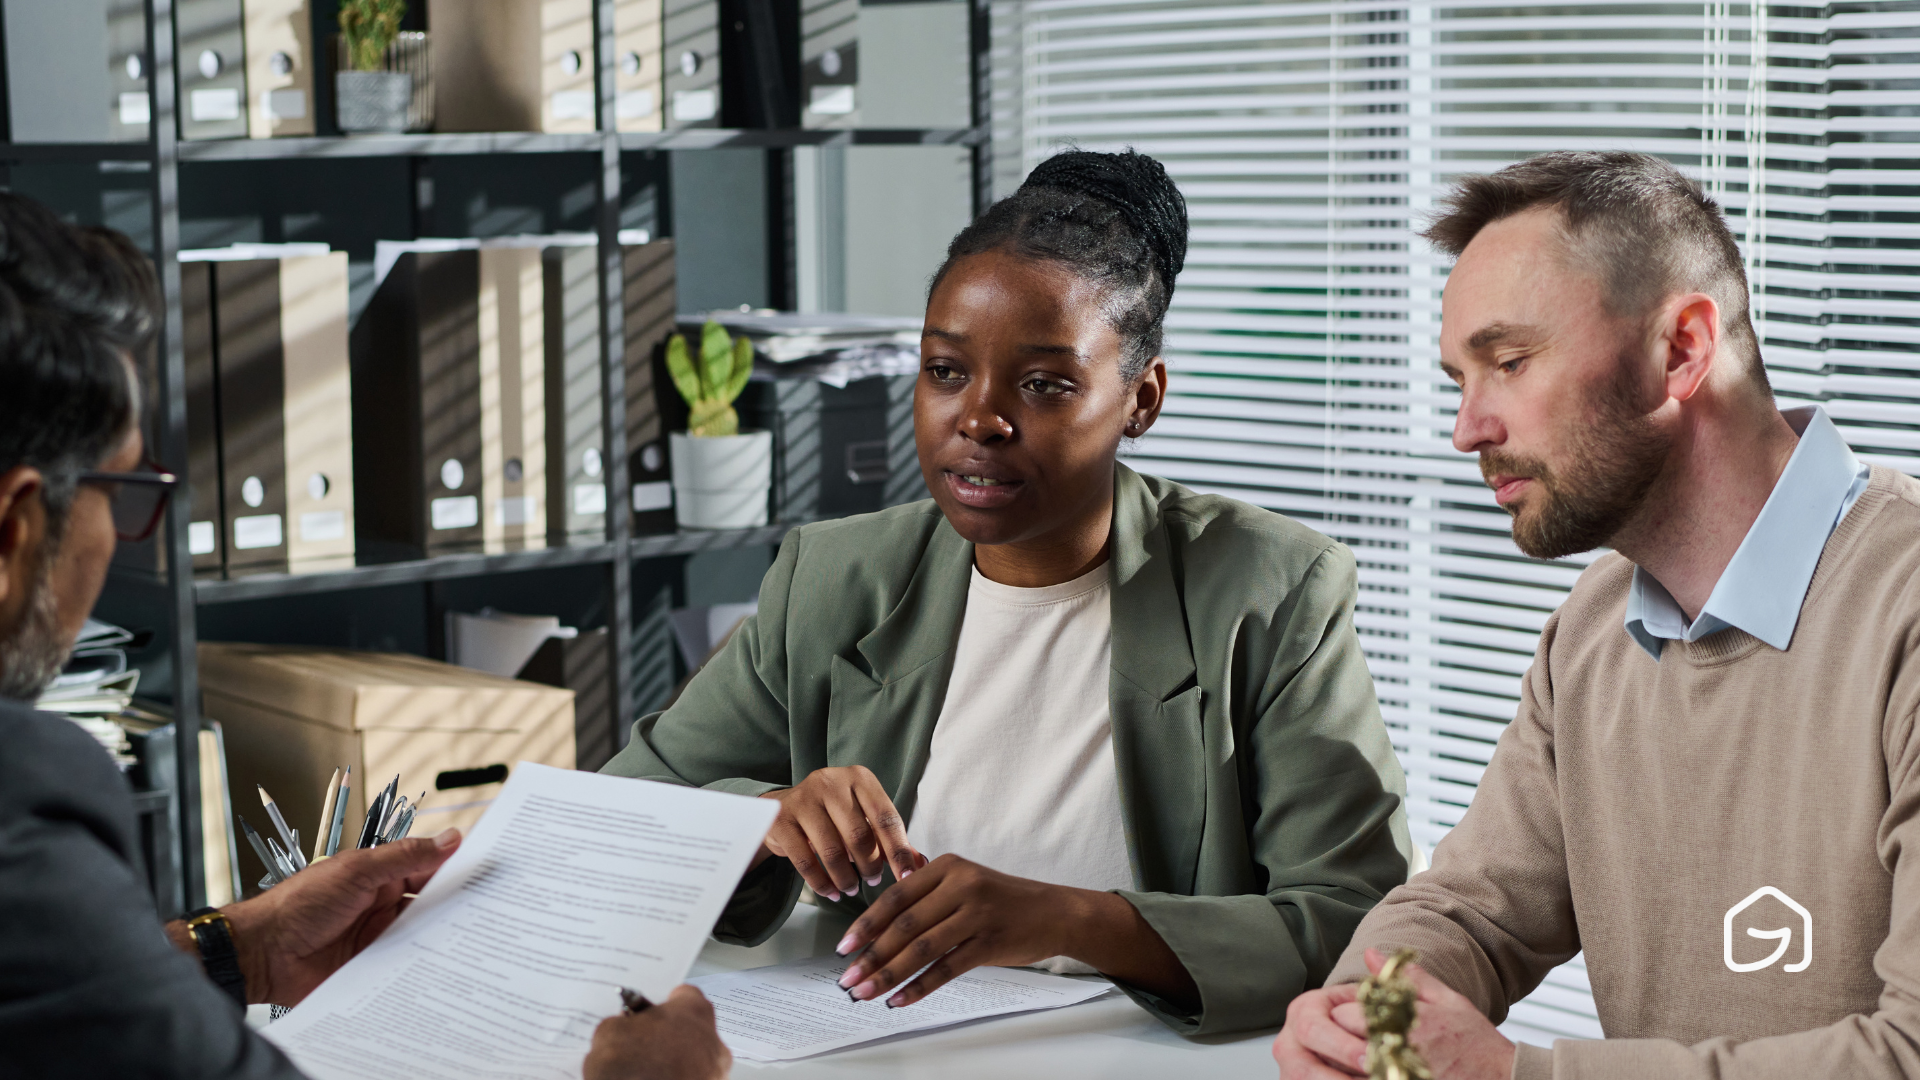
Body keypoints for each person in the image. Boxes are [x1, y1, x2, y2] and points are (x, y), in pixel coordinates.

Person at [600, 149, 1413, 1036]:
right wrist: (763, 819)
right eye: (946, 371)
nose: (979, 419)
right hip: (873, 1046)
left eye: (1044, 384)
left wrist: (1069, 919)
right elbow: (618, 817)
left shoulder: (1268, 589)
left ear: (1141, 399)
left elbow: (1355, 921)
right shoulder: (837, 578)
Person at [0, 192, 728, 1080]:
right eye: (126, 492)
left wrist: (242, 948)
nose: (119, 537)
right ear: (16, 530)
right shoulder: (23, 799)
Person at [1272, 151, 1920, 1080]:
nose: (1467, 428)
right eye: (1462, 378)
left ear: (1682, 352)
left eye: (1509, 361)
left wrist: (1517, 1074)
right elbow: (1471, 909)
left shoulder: (1904, 608)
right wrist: (1366, 1014)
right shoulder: (1594, 626)